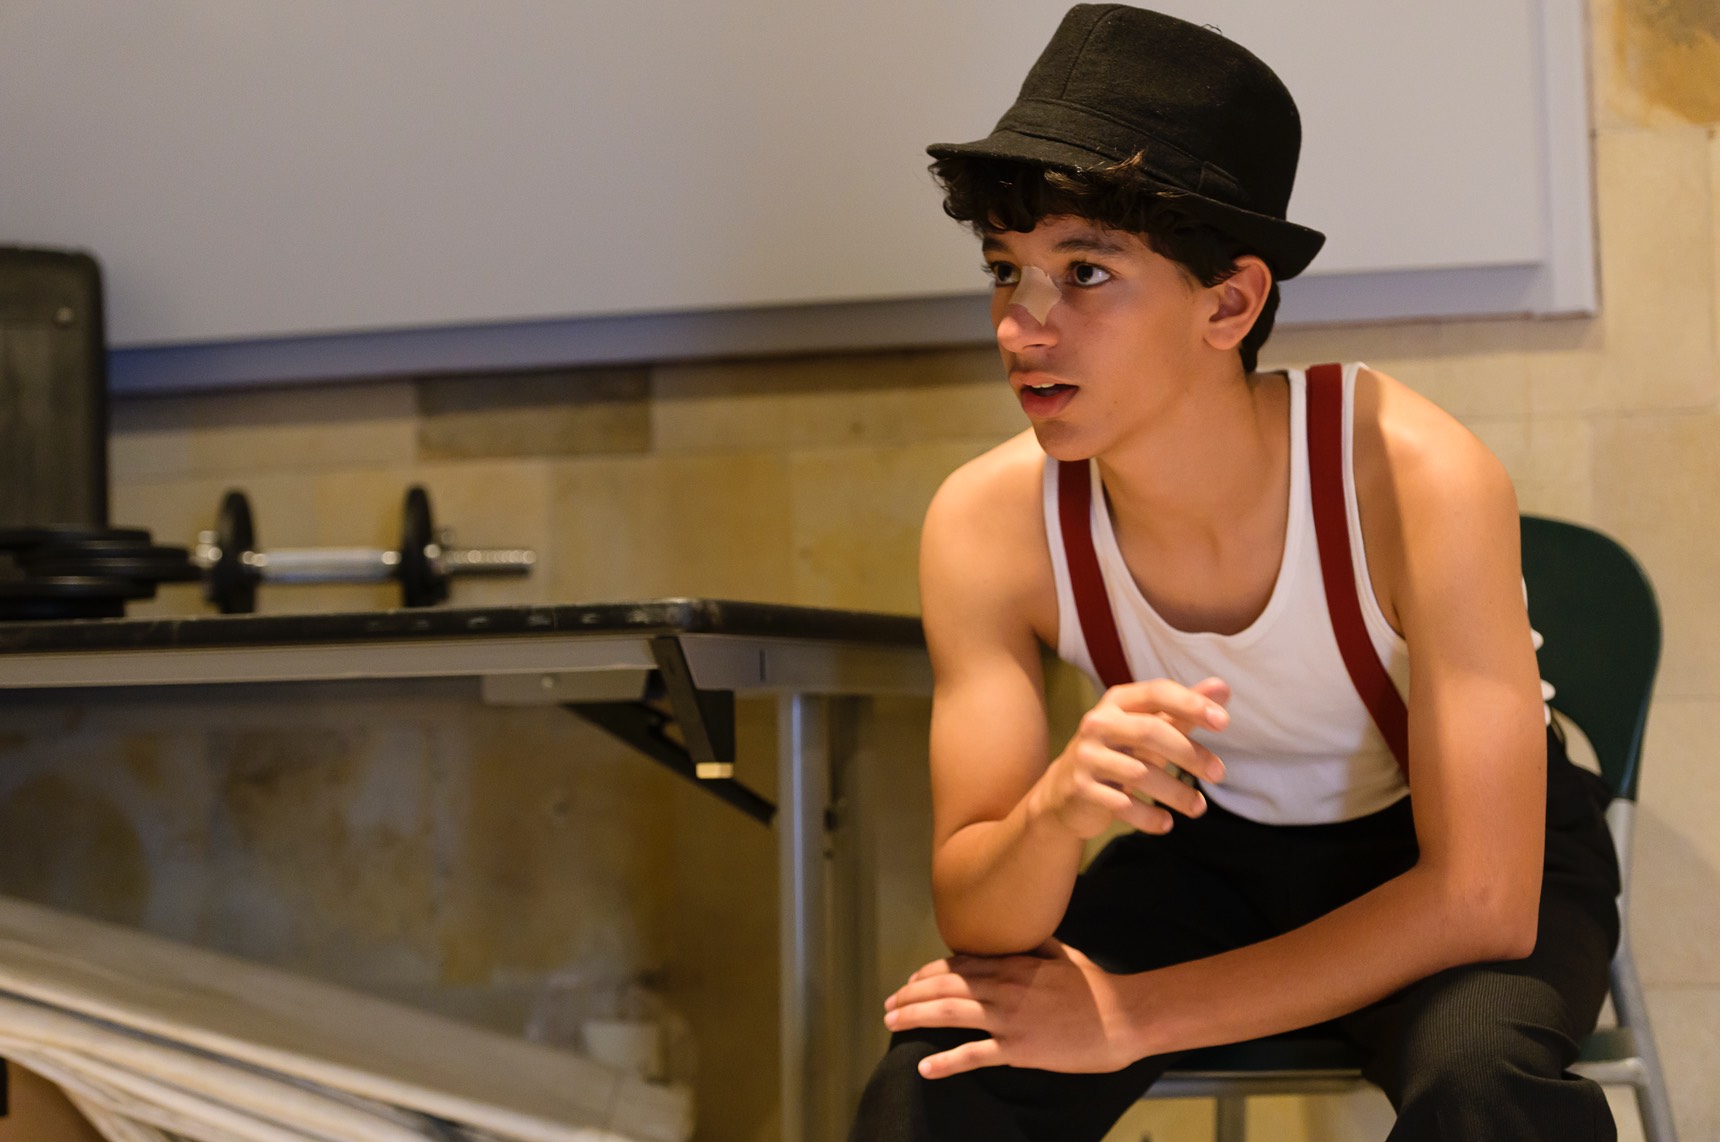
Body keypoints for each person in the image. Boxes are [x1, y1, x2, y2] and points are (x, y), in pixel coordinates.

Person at [847, 6, 1622, 1140]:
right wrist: (1055, 813)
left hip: (1455, 856)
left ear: (1230, 301)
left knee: (1481, 1084)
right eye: (1005, 271)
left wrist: (1128, 1016)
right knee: (938, 1080)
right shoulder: (987, 522)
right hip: (1211, 858)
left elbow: (1480, 898)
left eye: (1085, 272)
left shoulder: (1412, 470)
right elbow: (978, 912)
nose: (1020, 326)